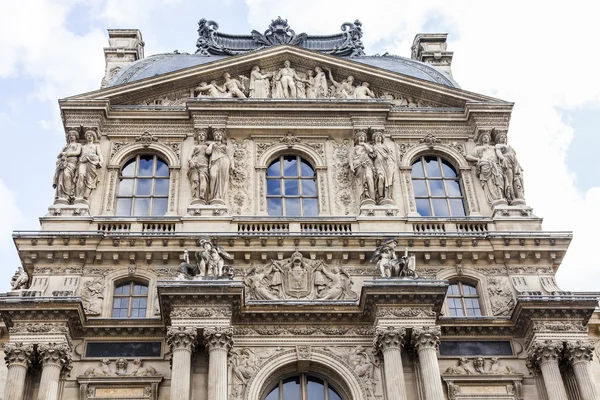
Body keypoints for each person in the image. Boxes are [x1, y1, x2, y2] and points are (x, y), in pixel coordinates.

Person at [466, 131, 505, 206]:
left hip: (496, 166)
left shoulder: (494, 147)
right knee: (490, 182)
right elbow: (468, 156)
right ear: (481, 139)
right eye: (484, 137)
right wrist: (478, 159)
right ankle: (495, 199)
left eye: (487, 137)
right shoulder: (478, 148)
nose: (486, 138)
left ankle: (501, 197)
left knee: (499, 181)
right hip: (486, 166)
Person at [53, 129, 81, 204]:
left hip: (72, 162)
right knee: (62, 178)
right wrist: (63, 153)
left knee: (67, 175)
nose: (71, 136)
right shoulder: (66, 146)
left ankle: (68, 195)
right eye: (70, 135)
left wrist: (66, 154)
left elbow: (78, 152)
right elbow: (58, 155)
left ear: (76, 137)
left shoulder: (78, 145)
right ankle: (63, 196)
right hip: (64, 162)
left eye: (73, 135)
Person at [348, 130, 376, 206]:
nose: (361, 137)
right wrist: (351, 165)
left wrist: (364, 144)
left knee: (369, 177)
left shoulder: (367, 147)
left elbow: (371, 151)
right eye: (359, 136)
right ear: (356, 138)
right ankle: (365, 197)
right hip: (359, 165)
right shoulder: (354, 148)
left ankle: (371, 197)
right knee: (362, 181)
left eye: (363, 136)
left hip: (367, 164)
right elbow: (350, 157)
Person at [75, 130, 103, 203]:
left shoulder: (95, 146)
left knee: (89, 179)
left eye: (91, 135)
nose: (89, 136)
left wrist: (101, 162)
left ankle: (85, 195)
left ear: (93, 137)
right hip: (82, 163)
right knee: (81, 176)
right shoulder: (83, 147)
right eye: (88, 135)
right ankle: (78, 196)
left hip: (91, 163)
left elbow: (100, 155)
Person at [206, 129, 232, 205]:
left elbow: (230, 156)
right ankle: (212, 196)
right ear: (214, 137)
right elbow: (208, 152)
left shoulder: (224, 146)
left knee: (223, 179)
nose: (218, 135)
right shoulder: (213, 145)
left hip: (224, 161)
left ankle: (220, 197)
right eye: (216, 134)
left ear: (222, 137)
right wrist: (211, 144)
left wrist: (232, 165)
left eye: (220, 135)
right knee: (213, 176)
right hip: (214, 162)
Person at [371, 130, 395, 205]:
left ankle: (386, 195)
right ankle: (380, 196)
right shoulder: (373, 147)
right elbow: (371, 156)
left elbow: (392, 157)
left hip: (386, 164)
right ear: (374, 138)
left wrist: (387, 156)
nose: (378, 137)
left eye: (379, 136)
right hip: (377, 164)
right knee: (380, 178)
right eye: (376, 136)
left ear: (382, 138)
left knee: (386, 180)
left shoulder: (386, 147)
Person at [187, 130, 210, 204]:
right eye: (199, 134)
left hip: (204, 165)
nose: (201, 136)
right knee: (196, 180)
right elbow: (189, 156)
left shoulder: (207, 147)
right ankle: (196, 196)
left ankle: (202, 193)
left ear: (205, 137)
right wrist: (191, 161)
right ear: (197, 137)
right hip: (195, 164)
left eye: (203, 134)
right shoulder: (195, 146)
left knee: (203, 177)